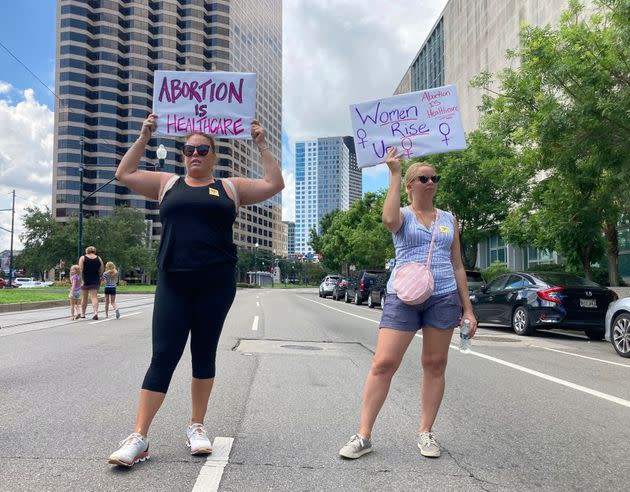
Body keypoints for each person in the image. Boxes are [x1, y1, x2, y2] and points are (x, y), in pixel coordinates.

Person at [107, 113, 284, 467]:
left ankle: (197, 427)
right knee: (164, 356)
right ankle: (139, 436)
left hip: (215, 284)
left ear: (213, 155)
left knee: (204, 354)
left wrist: (262, 144)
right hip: (174, 280)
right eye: (189, 149)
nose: (195, 154)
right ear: (183, 154)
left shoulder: (230, 188)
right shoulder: (168, 184)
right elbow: (123, 174)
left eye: (203, 149)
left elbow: (273, 183)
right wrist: (143, 137)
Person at [339, 147, 478, 460]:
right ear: (411, 185)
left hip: (442, 298)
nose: (430, 182)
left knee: (434, 364)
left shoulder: (449, 220)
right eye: (423, 178)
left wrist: (467, 309)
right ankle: (363, 435)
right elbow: (388, 220)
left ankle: (426, 432)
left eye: (434, 178)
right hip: (403, 297)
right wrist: (395, 172)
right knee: (384, 363)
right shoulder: (402, 214)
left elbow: (457, 264)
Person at [79, 246, 104, 320]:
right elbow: (102, 269)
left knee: (84, 297)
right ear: (94, 251)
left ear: (87, 251)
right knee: (94, 297)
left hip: (85, 279)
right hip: (95, 279)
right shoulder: (99, 258)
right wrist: (99, 276)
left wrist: (81, 280)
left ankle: (83, 314)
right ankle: (95, 313)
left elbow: (80, 270)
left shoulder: (83, 258)